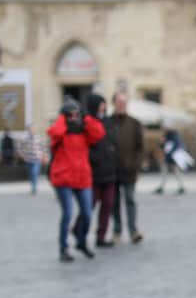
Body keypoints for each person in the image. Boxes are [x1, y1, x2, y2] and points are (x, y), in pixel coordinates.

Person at [48, 96, 105, 262]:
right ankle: (63, 248)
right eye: (70, 115)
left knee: (87, 213)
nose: (74, 118)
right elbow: (55, 132)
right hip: (63, 177)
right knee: (67, 213)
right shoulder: (61, 133)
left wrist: (85, 116)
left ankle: (81, 240)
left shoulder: (83, 132)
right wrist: (62, 117)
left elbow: (99, 132)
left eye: (76, 114)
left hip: (82, 177)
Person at [108, 92, 144, 244]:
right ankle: (117, 231)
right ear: (114, 104)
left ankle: (133, 230)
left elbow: (140, 147)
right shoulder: (107, 122)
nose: (122, 105)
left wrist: (136, 165)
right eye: (119, 102)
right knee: (114, 202)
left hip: (129, 170)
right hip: (112, 171)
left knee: (130, 199)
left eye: (124, 102)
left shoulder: (134, 123)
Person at [87, 94, 119, 248]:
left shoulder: (108, 122)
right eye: (101, 104)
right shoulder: (88, 122)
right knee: (90, 205)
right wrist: (95, 158)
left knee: (108, 204)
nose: (103, 107)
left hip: (109, 172)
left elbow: (113, 142)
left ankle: (101, 235)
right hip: (94, 173)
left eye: (104, 104)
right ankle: (80, 231)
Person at [155, 129, 190, 194]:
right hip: (168, 158)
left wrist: (169, 153)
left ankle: (181, 187)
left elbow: (175, 148)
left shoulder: (174, 138)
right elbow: (163, 147)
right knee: (166, 173)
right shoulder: (169, 138)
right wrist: (161, 143)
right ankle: (162, 187)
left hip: (172, 159)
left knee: (174, 173)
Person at [19, 124, 47, 194]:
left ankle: (34, 187)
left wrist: (44, 156)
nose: (32, 130)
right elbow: (20, 148)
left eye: (33, 129)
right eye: (30, 129)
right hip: (28, 159)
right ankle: (33, 185)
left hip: (37, 159)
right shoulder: (25, 139)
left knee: (34, 172)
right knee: (31, 174)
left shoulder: (39, 138)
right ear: (28, 130)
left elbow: (43, 148)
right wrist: (23, 155)